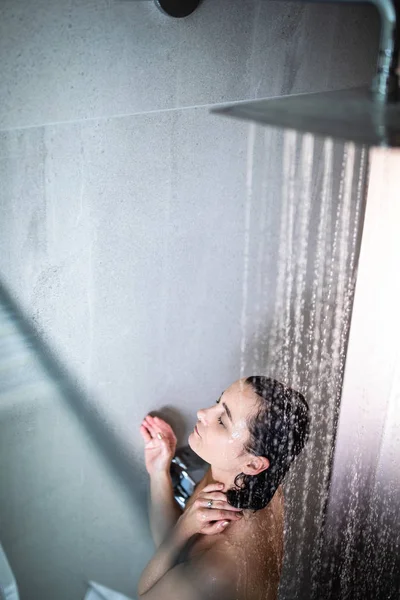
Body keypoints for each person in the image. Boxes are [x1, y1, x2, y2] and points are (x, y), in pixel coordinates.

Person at [137, 376, 310, 600]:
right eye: (217, 402)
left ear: (253, 464)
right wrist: (159, 471)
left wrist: (182, 529)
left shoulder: (217, 573)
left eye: (222, 420)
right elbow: (177, 551)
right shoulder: (244, 481)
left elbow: (144, 594)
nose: (202, 413)